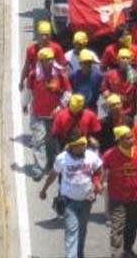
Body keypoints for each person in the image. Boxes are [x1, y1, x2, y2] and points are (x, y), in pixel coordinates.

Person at [39, 136, 102, 258]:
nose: (84, 147)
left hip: (86, 201)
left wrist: (97, 184)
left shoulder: (91, 156)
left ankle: (79, 254)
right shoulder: (62, 158)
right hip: (69, 202)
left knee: (82, 230)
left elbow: (99, 170)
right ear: (72, 146)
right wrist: (44, 189)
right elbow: (53, 174)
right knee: (72, 231)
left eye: (84, 144)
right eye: (80, 145)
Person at [102, 126, 137, 258]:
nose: (132, 140)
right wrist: (99, 184)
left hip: (136, 197)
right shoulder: (109, 155)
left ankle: (128, 249)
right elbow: (100, 171)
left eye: (132, 137)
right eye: (128, 138)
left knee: (132, 226)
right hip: (117, 197)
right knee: (117, 226)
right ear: (119, 140)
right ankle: (116, 253)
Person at [28, 48, 70, 179]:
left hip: (54, 114)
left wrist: (60, 107)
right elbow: (29, 90)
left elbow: (68, 93)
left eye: (52, 59)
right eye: (47, 60)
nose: (51, 62)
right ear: (41, 61)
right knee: (38, 140)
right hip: (37, 113)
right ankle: (39, 168)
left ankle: (52, 165)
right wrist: (25, 104)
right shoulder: (34, 74)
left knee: (52, 141)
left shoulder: (60, 74)